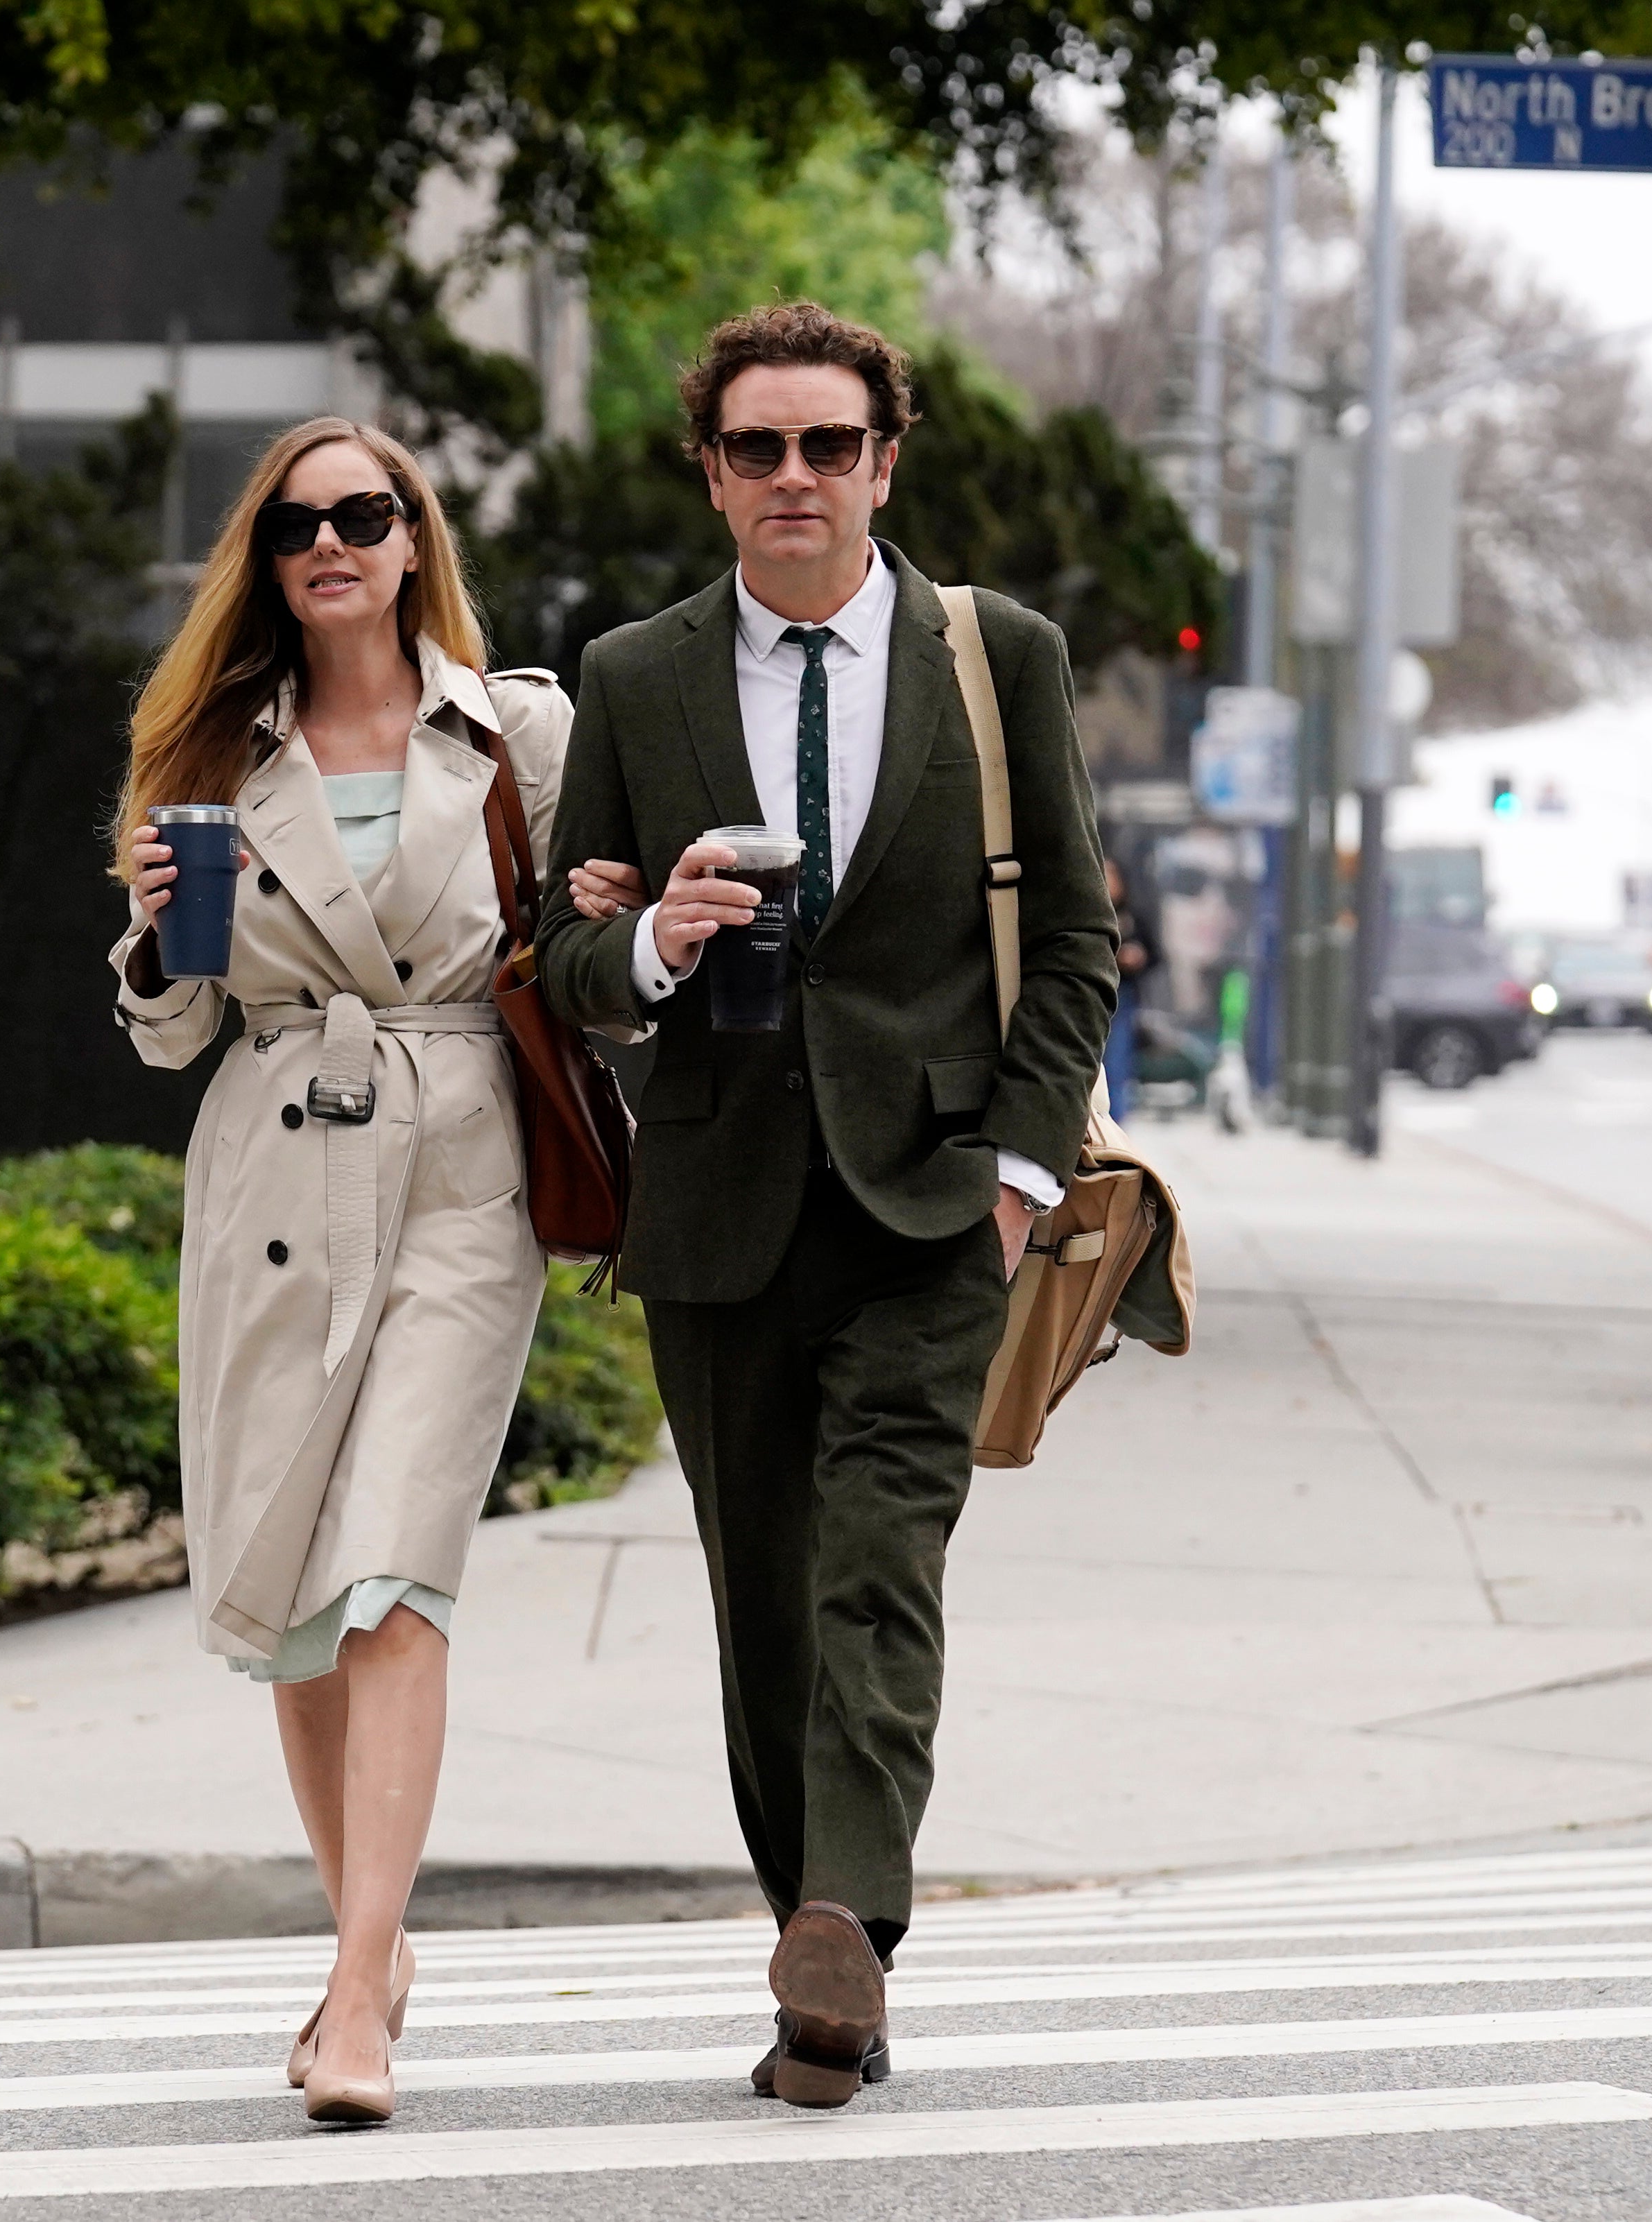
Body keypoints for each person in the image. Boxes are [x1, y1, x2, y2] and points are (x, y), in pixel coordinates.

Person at [537, 302, 1117, 2109]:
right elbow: (561, 967)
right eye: (756, 447)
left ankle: (843, 1925)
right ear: (710, 474)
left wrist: (1020, 1175)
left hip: (936, 1198)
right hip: (715, 1201)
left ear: (883, 458)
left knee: (878, 1562)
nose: (794, 476)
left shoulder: (989, 654)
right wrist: (645, 938)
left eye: (828, 443)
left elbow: (1077, 939)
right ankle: (819, 1921)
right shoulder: (631, 675)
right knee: (762, 1600)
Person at [107, 416, 573, 2128]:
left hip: (460, 1163)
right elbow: (170, 1030)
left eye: (362, 514)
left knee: (395, 1572)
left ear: (409, 535)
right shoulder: (213, 745)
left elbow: (571, 954)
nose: (331, 543)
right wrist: (158, 926)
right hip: (275, 1159)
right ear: (269, 554)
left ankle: (361, 1993)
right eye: (298, 521)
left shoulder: (518, 727)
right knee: (299, 1593)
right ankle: (362, 1944)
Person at [1101, 853, 1162, 1123]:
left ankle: (1115, 1123)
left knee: (1117, 1064)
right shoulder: (1087, 916)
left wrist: (1138, 957)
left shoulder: (1133, 917)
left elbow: (1156, 954)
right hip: (1092, 996)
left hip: (1122, 997)